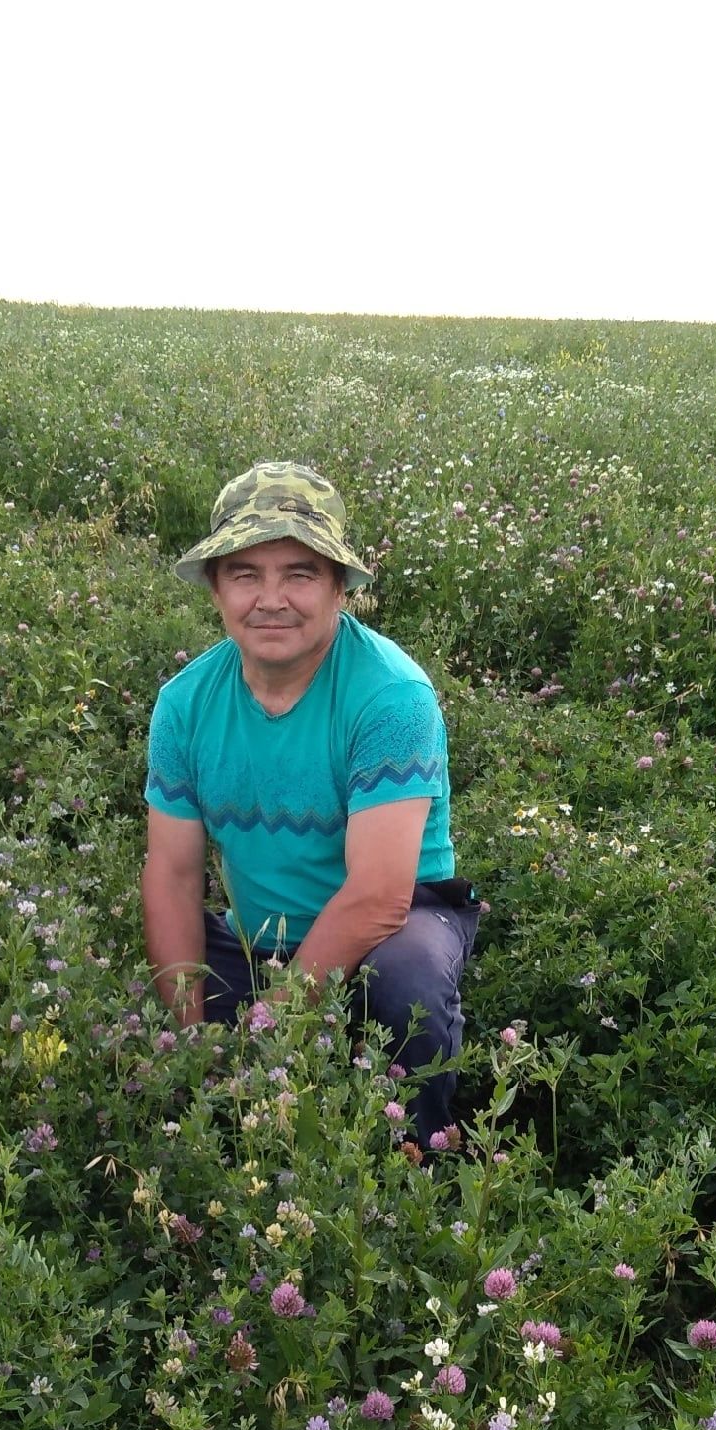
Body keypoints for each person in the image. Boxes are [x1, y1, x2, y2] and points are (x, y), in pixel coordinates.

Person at [141, 460, 479, 1147]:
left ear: (339, 589)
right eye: (245, 574)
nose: (272, 599)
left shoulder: (390, 697)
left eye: (299, 573)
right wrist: (193, 1041)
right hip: (260, 934)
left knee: (405, 981)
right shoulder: (185, 703)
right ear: (215, 589)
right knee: (145, 1018)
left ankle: (417, 1163)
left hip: (399, 919)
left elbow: (381, 895)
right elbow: (172, 874)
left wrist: (275, 1027)